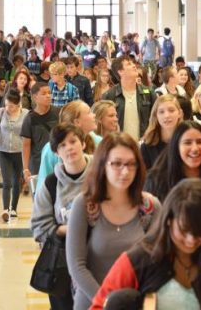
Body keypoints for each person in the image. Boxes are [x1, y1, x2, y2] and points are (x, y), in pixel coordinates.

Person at [91, 178, 201, 309]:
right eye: (184, 230)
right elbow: (99, 306)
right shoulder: (139, 260)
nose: (191, 240)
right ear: (169, 220)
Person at [66, 132, 161, 310]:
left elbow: (158, 263)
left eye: (131, 164)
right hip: (92, 302)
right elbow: (76, 266)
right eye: (117, 164)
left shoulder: (150, 207)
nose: (125, 171)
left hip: (134, 304)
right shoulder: (85, 204)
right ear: (103, 165)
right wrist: (107, 302)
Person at [31, 123, 92, 310]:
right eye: (62, 145)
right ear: (56, 152)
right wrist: (71, 228)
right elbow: (39, 227)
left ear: (82, 144)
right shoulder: (51, 184)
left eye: (73, 141)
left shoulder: (101, 175)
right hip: (63, 263)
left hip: (98, 258)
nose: (69, 148)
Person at [145, 121, 201, 202]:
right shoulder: (156, 181)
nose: (195, 149)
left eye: (200, 142)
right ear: (176, 147)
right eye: (187, 143)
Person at [36, 100, 101, 190]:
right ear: (77, 122)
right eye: (89, 112)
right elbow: (43, 187)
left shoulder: (99, 142)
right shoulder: (50, 149)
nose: (94, 115)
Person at [0, 89, 29, 221]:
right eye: (6, 105)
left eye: (11, 106)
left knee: (16, 181)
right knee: (6, 182)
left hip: (19, 152)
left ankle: (14, 209)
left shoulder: (25, 114)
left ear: (18, 104)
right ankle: (5, 209)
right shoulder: (1, 112)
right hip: (3, 151)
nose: (8, 108)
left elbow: (28, 134)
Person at [102, 56, 156, 141]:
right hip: (119, 144)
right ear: (120, 72)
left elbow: (155, 119)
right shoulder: (109, 95)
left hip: (144, 144)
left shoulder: (148, 93)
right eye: (129, 64)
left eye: (133, 63)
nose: (134, 65)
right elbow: (104, 125)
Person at [21, 83, 60, 188]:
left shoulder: (59, 113)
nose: (48, 96)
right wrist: (25, 169)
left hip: (57, 161)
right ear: (34, 97)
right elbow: (26, 145)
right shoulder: (29, 118)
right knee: (39, 197)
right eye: (44, 93)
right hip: (37, 164)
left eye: (49, 93)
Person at [140, 94, 183, 170]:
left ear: (179, 113)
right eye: (161, 112)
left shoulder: (187, 141)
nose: (166, 115)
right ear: (156, 116)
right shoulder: (147, 147)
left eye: (171, 110)